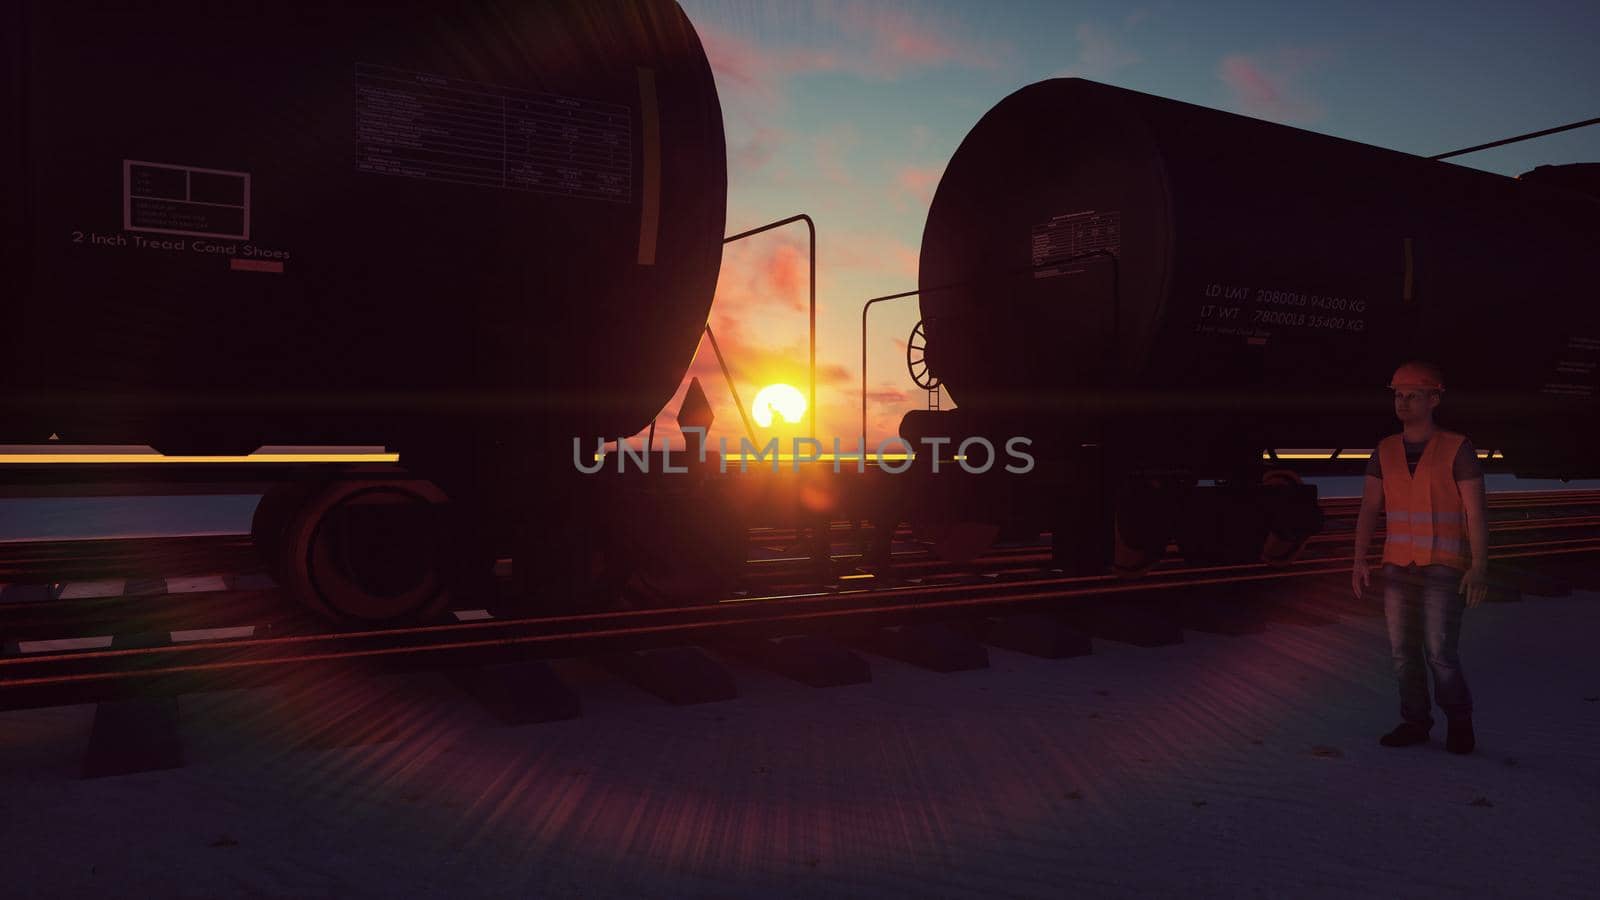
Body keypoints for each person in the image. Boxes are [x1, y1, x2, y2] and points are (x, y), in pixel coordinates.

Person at [1351, 361, 1489, 755]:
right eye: (1398, 394)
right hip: (1397, 566)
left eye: (1413, 395)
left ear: (1434, 399)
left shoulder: (1456, 448)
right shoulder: (1385, 450)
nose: (1404, 402)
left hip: (1443, 568)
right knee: (1403, 653)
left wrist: (1479, 566)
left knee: (1440, 653)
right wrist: (1360, 558)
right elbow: (1369, 507)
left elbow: (1475, 512)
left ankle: (1460, 724)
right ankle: (1415, 722)